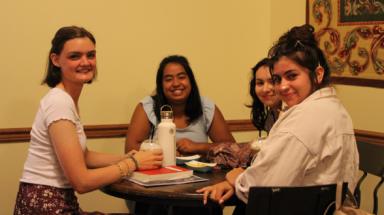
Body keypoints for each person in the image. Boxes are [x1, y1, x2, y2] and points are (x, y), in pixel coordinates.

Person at [197, 24, 359, 213]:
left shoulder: (306, 117)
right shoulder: (333, 107)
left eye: (292, 76)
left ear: (318, 74)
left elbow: (260, 187)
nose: (282, 87)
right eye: (278, 79)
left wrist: (237, 179)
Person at [13, 26, 163, 215]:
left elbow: (83, 156)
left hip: (55, 200)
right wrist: (133, 163)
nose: (85, 62)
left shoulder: (66, 98)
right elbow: (81, 182)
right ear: (55, 60)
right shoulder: (59, 102)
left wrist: (124, 157)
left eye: (90, 55)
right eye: (75, 56)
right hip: (45, 204)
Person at [125, 55, 236, 156]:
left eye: (182, 77)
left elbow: (232, 147)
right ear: (161, 85)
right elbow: (130, 149)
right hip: (158, 174)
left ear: (190, 81)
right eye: (169, 79)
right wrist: (170, 152)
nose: (176, 83)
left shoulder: (206, 106)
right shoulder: (147, 107)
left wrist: (197, 147)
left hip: (202, 175)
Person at [247, 58, 282, 134]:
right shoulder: (270, 115)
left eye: (272, 82)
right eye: (260, 83)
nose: (265, 89)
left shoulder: (296, 115)